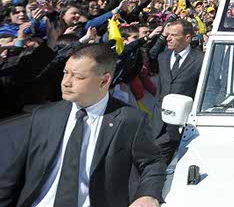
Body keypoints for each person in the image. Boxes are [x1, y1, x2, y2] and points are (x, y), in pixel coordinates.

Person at [0, 43, 165, 207]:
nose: (66, 82)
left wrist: (148, 195)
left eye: (78, 77)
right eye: (65, 73)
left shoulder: (130, 120)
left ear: (104, 81)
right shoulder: (43, 117)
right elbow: (12, 177)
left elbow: (152, 162)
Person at [149, 19, 204, 164]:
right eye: (168, 34)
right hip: (160, 123)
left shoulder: (201, 60)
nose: (168, 38)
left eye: (173, 35)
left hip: (185, 126)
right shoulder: (163, 57)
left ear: (187, 38)